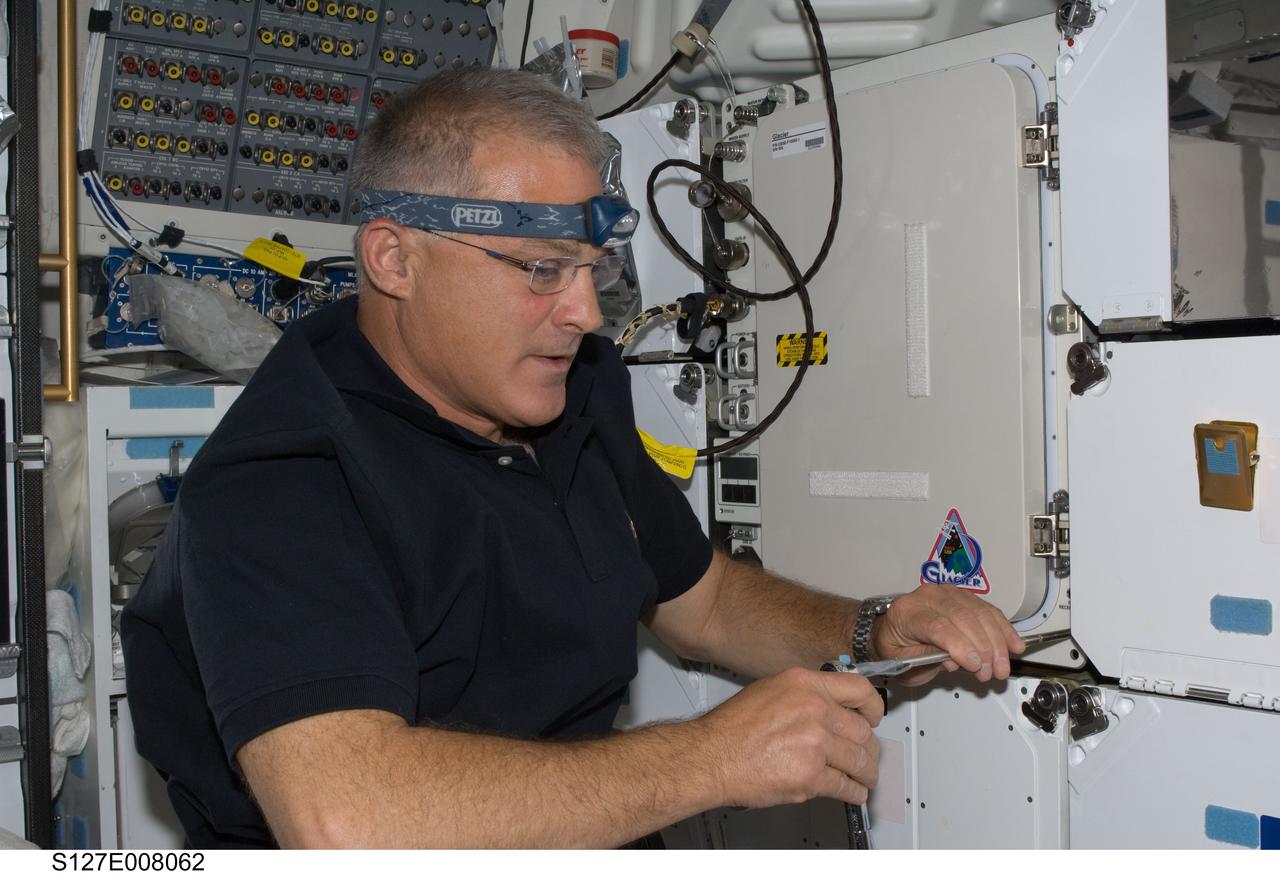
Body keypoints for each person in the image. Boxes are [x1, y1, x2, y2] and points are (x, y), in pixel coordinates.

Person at [121, 67, 1026, 849]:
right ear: (394, 259)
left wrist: (868, 632)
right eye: (543, 269)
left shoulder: (574, 386)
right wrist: (710, 756)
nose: (587, 313)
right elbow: (348, 823)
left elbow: (702, 602)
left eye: (592, 267)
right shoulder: (282, 478)